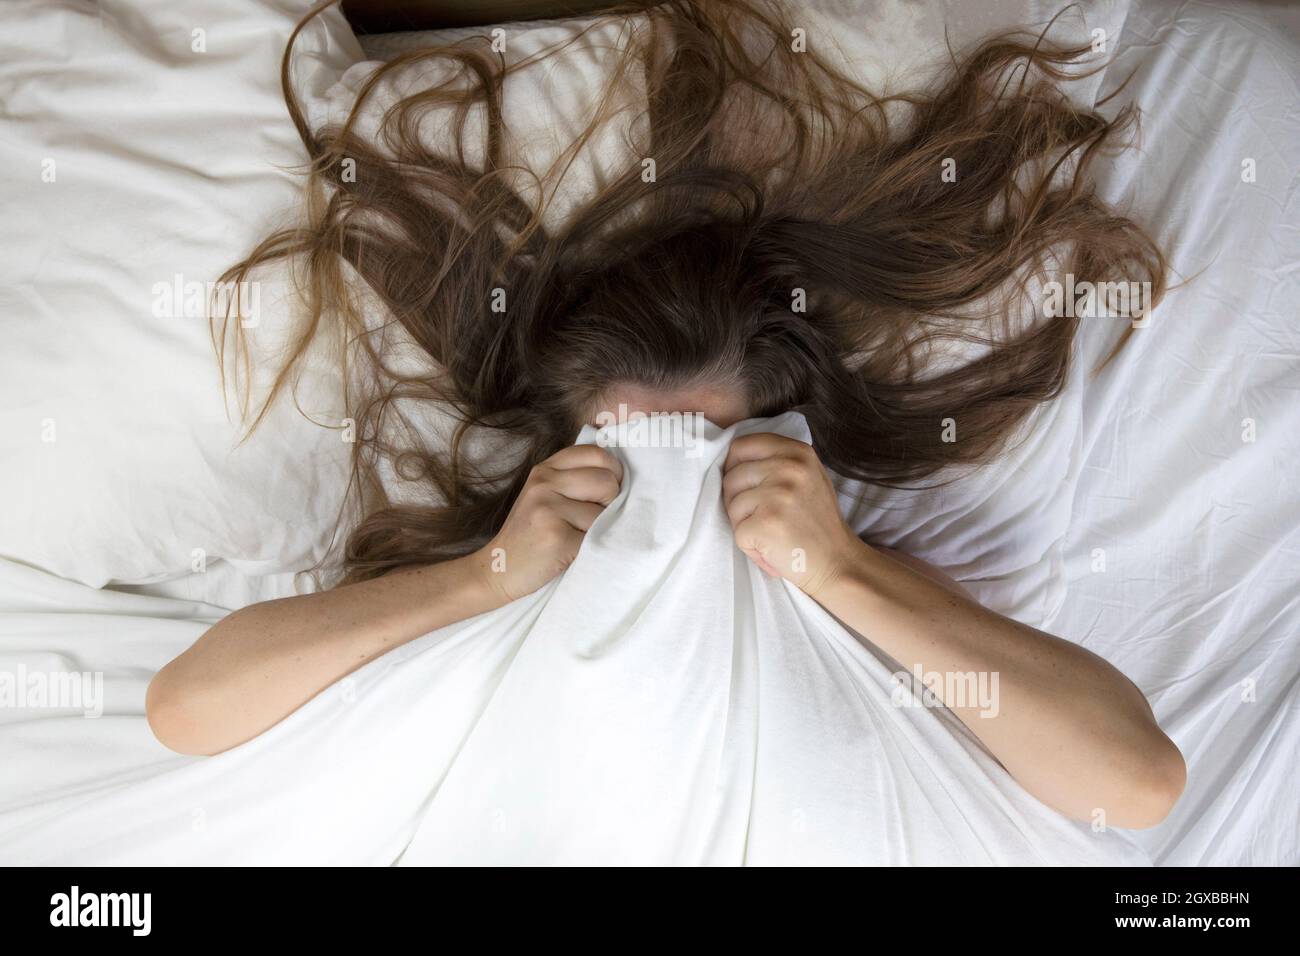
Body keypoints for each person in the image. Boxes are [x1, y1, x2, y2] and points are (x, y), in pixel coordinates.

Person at [147, 0, 1185, 830]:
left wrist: (835, 568)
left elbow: (1134, 783)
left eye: (712, 453)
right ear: (557, 456)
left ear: (789, 450)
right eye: (628, 458)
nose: (672, 506)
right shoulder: (485, 581)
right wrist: (483, 575)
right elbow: (188, 708)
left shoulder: (880, 593)